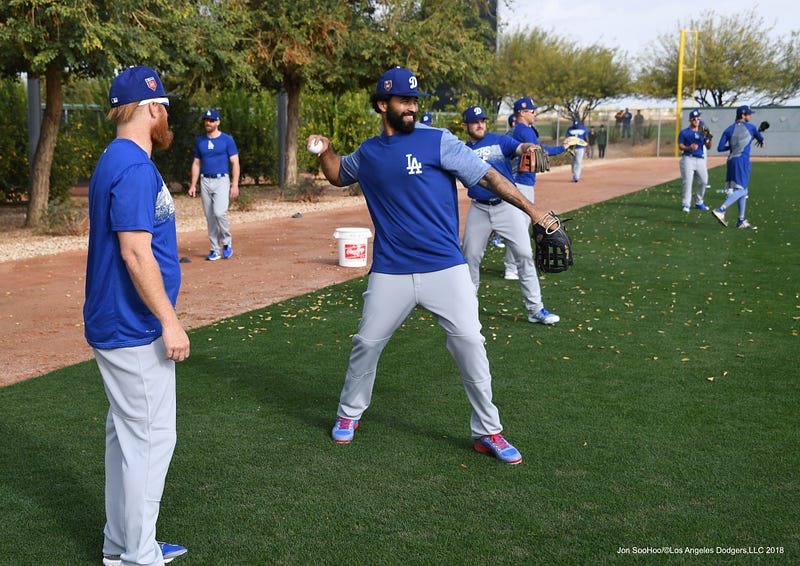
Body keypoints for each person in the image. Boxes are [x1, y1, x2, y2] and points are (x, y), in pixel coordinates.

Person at [308, 67, 562, 464]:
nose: (411, 107)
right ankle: (348, 414)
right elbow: (339, 173)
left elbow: (490, 177)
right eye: (403, 101)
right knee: (367, 344)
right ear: (382, 105)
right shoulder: (370, 153)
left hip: (445, 267)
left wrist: (533, 212)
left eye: (414, 101)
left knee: (470, 344)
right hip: (391, 269)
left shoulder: (438, 141)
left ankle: (488, 431)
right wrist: (324, 150)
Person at [83, 66, 190, 566]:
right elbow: (135, 253)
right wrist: (169, 320)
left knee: (127, 440)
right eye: (164, 107)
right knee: (150, 441)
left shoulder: (115, 158)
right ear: (152, 108)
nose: (166, 116)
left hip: (120, 321)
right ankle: (139, 556)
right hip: (133, 326)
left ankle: (122, 545)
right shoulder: (132, 166)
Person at [460, 105, 560, 325]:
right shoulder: (462, 150)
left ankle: (536, 309)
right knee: (470, 257)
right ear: (465, 125)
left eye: (483, 120)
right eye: (475, 121)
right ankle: (467, 309)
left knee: (524, 255)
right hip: (478, 209)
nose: (480, 124)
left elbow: (519, 147)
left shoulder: (500, 140)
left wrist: (529, 147)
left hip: (507, 207)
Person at [503, 96, 567, 281]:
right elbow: (541, 150)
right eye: (532, 111)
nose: (535, 113)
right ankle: (511, 267)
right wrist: (562, 147)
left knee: (519, 225)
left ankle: (512, 266)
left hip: (522, 182)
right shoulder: (524, 131)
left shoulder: (522, 130)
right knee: (519, 227)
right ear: (522, 113)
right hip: (521, 183)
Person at [188, 108, 240, 261]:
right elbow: (196, 163)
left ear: (218, 122)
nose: (208, 123)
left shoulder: (227, 140)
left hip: (221, 179)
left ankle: (227, 242)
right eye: (206, 120)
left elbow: (235, 162)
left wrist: (235, 184)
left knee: (219, 213)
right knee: (210, 216)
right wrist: (193, 185)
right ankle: (214, 249)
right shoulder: (200, 141)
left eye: (211, 120)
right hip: (205, 180)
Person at [711, 105, 765, 229]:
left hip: (731, 160)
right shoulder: (751, 127)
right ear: (743, 115)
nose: (750, 116)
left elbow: (720, 148)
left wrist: (732, 147)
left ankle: (741, 220)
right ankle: (721, 210)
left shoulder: (728, 129)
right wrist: (761, 140)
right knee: (741, 190)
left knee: (742, 190)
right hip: (742, 161)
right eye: (749, 114)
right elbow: (760, 137)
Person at [678, 109, 712, 212]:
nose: (696, 120)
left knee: (704, 180)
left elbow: (709, 146)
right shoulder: (685, 132)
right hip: (688, 158)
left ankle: (699, 202)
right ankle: (686, 204)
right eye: (694, 119)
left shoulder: (703, 131)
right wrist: (689, 148)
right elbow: (680, 146)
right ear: (690, 120)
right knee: (688, 182)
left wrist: (709, 138)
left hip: (700, 159)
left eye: (698, 118)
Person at [565, 118, 588, 182]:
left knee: (578, 162)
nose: (576, 127)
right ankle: (574, 173)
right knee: (572, 162)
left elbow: (586, 138)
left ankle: (576, 177)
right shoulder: (569, 129)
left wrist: (587, 148)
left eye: (577, 126)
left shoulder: (583, 129)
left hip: (580, 148)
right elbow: (567, 138)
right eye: (575, 126)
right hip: (572, 148)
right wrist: (565, 146)